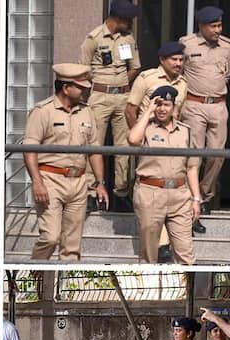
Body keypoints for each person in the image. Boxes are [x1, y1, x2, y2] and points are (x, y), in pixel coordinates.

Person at [23, 63, 108, 260]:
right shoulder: (43, 111)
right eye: (81, 87)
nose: (86, 90)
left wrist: (100, 183)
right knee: (50, 237)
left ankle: (60, 285)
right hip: (50, 179)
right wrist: (37, 182)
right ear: (65, 87)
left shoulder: (87, 112)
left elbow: (94, 150)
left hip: (78, 182)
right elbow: (29, 148)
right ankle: (36, 271)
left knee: (71, 247)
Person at [127, 86, 202, 264]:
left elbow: (191, 167)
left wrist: (196, 198)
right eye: (158, 104)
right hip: (151, 192)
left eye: (166, 105)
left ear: (174, 107)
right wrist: (147, 112)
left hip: (180, 194)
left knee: (186, 253)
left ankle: (187, 290)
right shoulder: (146, 127)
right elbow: (132, 140)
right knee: (149, 254)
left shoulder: (185, 131)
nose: (162, 109)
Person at [80, 0, 141, 208]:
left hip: (123, 96)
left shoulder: (128, 39)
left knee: (123, 146)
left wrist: (122, 83)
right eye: (128, 20)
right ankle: (91, 191)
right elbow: (83, 70)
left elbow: (134, 67)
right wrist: (99, 87)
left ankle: (121, 192)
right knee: (94, 143)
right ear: (118, 19)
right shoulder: (94, 37)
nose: (131, 24)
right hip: (99, 96)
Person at [179, 6, 230, 231]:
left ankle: (203, 193)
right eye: (213, 26)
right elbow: (178, 71)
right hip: (193, 104)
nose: (218, 30)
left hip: (218, 105)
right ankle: (193, 201)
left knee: (217, 155)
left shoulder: (228, 46)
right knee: (194, 156)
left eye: (220, 25)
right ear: (201, 26)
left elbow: (228, 73)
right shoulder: (187, 44)